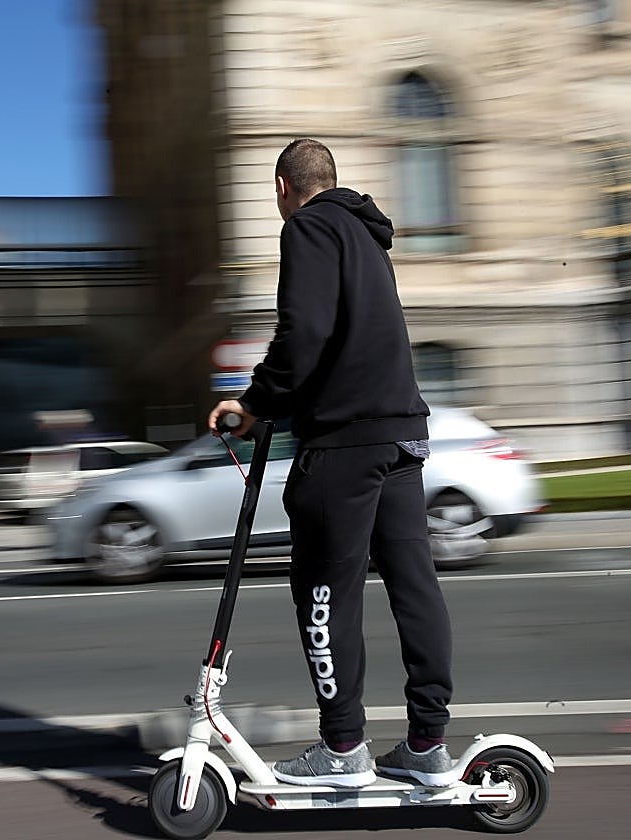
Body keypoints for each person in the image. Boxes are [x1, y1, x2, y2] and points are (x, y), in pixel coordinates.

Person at [207, 138, 456, 789]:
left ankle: (343, 746)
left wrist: (255, 403)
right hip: (402, 435)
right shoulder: (367, 238)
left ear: (283, 188)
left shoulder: (308, 229)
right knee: (414, 586)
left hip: (345, 444)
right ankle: (428, 742)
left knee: (324, 592)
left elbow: (304, 333)